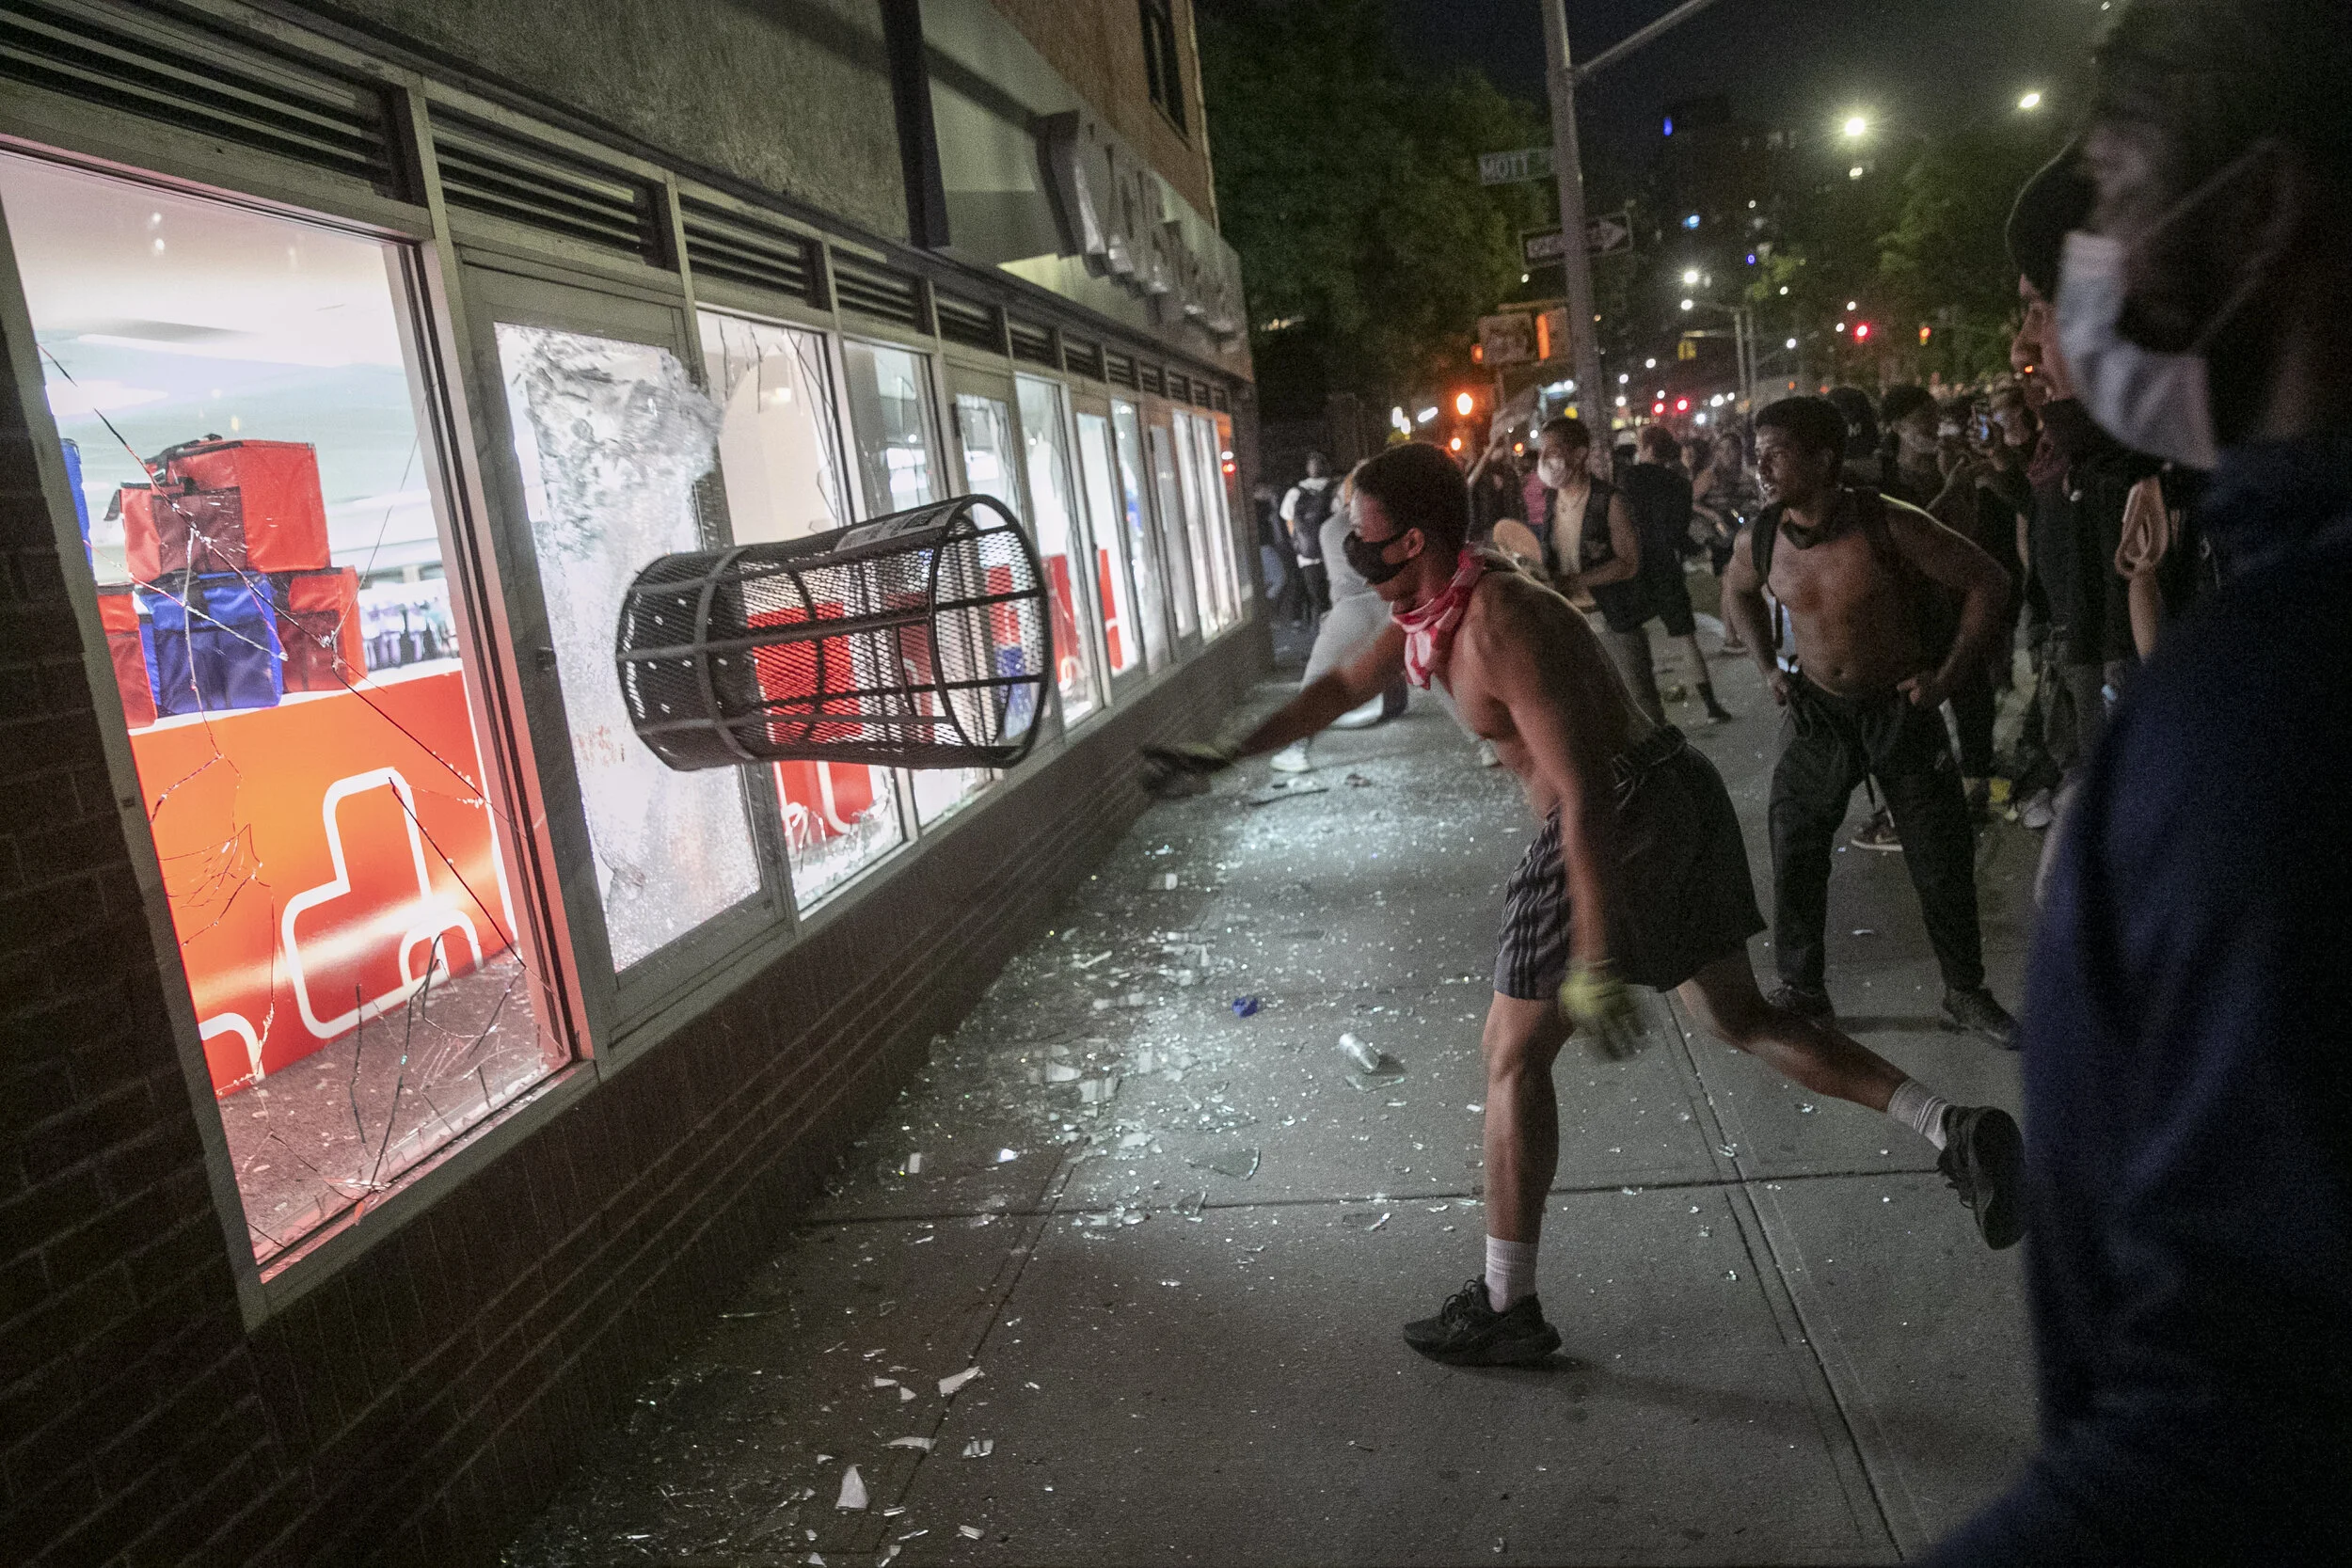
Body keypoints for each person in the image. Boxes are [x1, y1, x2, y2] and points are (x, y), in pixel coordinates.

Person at [1142, 442, 2026, 1368]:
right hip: (1664, 795)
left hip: (1619, 813)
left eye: (1361, 538)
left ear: (1409, 540)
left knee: (1510, 1054)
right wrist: (1225, 753)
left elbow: (1587, 796)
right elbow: (1335, 688)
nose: (1348, 552)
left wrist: (1597, 953)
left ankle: (1504, 1303)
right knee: (1738, 1014)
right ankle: (1950, 1127)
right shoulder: (1429, 609)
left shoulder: (1498, 624)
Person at [1928, 3, 2352, 1561]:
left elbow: (2255, 1431)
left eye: (2115, 192)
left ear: (2259, 214)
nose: (2081, 275)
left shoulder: (2276, 719)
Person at [1720, 396, 2019, 1044]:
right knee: (1794, 847)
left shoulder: (1890, 525)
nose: (1761, 467)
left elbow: (1989, 581)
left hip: (1899, 708)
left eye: (1777, 452)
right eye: (1757, 453)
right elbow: (1735, 590)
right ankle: (1803, 989)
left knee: (1940, 854)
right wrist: (1768, 667)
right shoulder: (1762, 535)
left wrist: (1947, 676)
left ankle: (1965, 992)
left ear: (1825, 459)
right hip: (1817, 713)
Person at [1269, 466, 1406, 772]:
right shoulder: (1389, 522)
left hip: (1350, 608)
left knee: (1315, 682)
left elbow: (1336, 578)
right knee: (1434, 669)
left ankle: (1296, 750)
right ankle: (1484, 745)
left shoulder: (1331, 528)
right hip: (1391, 606)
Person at [1526, 416, 1659, 723]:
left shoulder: (1608, 501)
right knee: (1591, 709)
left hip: (1613, 617)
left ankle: (1660, 767)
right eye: (1542, 451)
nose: (1546, 459)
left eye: (1554, 450)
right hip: (1570, 621)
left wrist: (1574, 581)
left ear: (1579, 453)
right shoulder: (1550, 502)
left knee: (1640, 703)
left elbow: (1629, 563)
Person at [1615, 424, 1736, 722]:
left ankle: (1647, 712)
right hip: (1667, 564)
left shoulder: (1630, 478)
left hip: (1635, 564)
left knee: (1632, 635)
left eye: (1641, 445)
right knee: (1685, 636)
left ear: (1649, 449)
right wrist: (1700, 549)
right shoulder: (1680, 484)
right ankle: (1711, 706)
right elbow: (1680, 533)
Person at [1279, 452, 1337, 619]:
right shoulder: (1334, 488)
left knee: (1317, 597)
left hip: (1307, 554)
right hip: (1332, 552)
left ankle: (1322, 629)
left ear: (1307, 469)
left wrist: (1298, 542)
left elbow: (1287, 518)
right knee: (1335, 594)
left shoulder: (1295, 492)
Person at [1464, 424, 1524, 546]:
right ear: (1486, 449)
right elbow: (1470, 496)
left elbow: (1517, 499)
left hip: (1509, 525)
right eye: (1496, 447)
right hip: (1486, 529)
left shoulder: (1509, 472)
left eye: (1501, 447)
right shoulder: (1478, 471)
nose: (1499, 451)